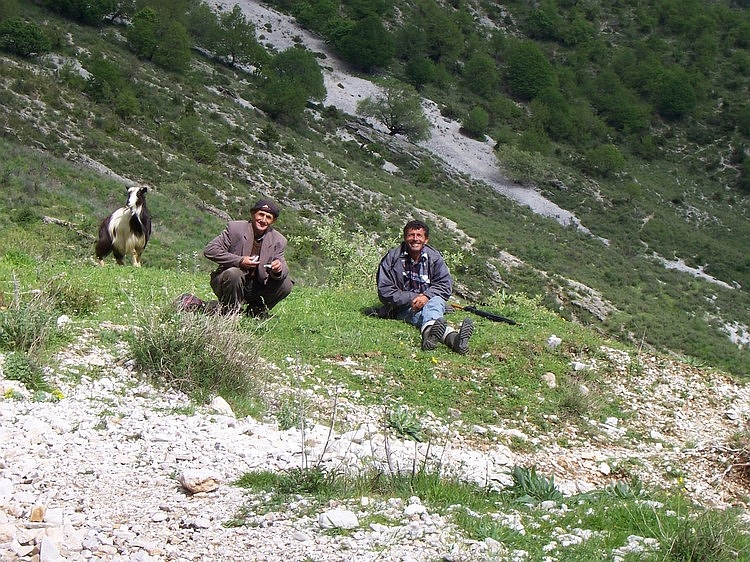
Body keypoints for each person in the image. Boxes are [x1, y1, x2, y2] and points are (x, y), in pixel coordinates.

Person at [376, 219, 474, 354]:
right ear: (405, 238)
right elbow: (385, 291)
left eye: (419, 235)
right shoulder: (392, 258)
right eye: (411, 235)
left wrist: (426, 296)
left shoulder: (434, 258)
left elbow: (444, 285)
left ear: (426, 240)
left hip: (430, 301)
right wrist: (415, 297)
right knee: (429, 309)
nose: (415, 239)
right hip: (402, 306)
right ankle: (453, 339)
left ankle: (433, 335)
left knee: (434, 301)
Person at [204, 198, 293, 316]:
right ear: (253, 214)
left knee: (286, 284)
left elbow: (283, 265)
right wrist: (240, 261)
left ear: (273, 221)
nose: (263, 220)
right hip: (230, 282)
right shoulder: (235, 229)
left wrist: (278, 269)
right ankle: (230, 311)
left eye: (268, 217)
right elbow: (210, 250)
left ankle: (256, 310)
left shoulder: (278, 240)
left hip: (257, 286)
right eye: (261, 214)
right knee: (234, 273)